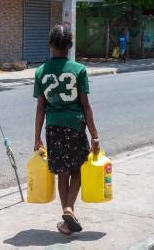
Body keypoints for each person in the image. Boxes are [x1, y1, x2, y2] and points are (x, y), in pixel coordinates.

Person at [33, 23, 100, 235]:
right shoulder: (79, 70)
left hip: (53, 129)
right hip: (75, 126)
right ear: (70, 45)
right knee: (78, 170)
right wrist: (95, 136)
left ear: (50, 44)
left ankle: (66, 221)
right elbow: (85, 106)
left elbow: (40, 109)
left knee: (62, 173)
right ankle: (69, 209)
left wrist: (36, 138)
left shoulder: (40, 72)